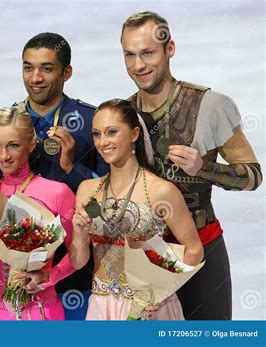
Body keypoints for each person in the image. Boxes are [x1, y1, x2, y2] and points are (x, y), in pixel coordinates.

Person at [120, 11, 262, 319]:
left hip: (202, 253)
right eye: (129, 55)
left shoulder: (210, 105)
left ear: (169, 49)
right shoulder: (123, 114)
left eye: (147, 53)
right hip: (143, 257)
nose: (138, 65)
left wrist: (204, 169)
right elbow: (106, 189)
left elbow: (253, 175)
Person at [0, 32, 108, 319]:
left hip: (78, 272)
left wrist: (72, 170)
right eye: (28, 67)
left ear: (67, 72)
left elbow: (107, 199)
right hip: (19, 279)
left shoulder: (90, 122)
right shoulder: (6, 125)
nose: (35, 77)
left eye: (47, 68)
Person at [69, 99, 204, 320]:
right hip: (102, 307)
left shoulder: (161, 191)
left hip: (151, 309)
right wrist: (80, 233)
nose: (103, 142)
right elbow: (78, 262)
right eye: (96, 134)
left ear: (134, 134)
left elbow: (194, 249)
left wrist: (161, 292)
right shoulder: (87, 189)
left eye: (112, 132)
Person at [0, 106, 77, 320]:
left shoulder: (57, 193)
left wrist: (49, 276)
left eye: (13, 145)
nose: (3, 156)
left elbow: (78, 253)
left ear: (32, 144)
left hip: (43, 309)